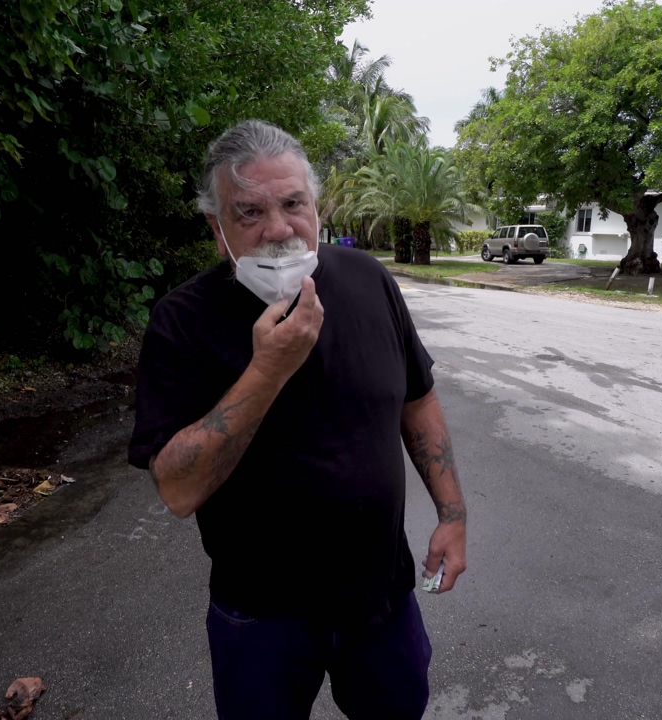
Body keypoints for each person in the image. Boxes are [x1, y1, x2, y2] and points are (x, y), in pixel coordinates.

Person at [127, 119, 467, 719]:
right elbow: (178, 490)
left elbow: (418, 401)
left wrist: (452, 515)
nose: (279, 229)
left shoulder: (368, 281)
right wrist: (267, 370)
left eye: (292, 204)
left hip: (380, 599)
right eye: (249, 212)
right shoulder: (182, 322)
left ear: (314, 205)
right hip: (260, 615)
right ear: (217, 229)